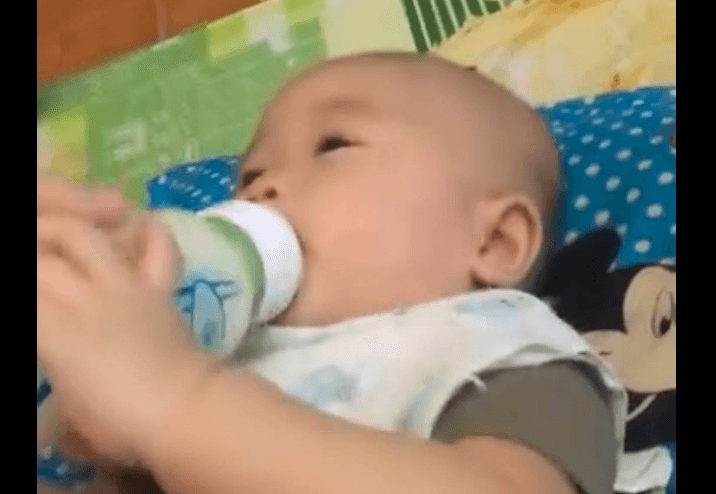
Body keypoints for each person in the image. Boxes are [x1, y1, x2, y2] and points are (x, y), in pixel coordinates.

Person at [37, 52, 625, 494]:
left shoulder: (501, 351)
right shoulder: (219, 345)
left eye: (333, 145)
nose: (262, 188)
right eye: (249, 176)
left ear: (495, 241)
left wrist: (176, 402)